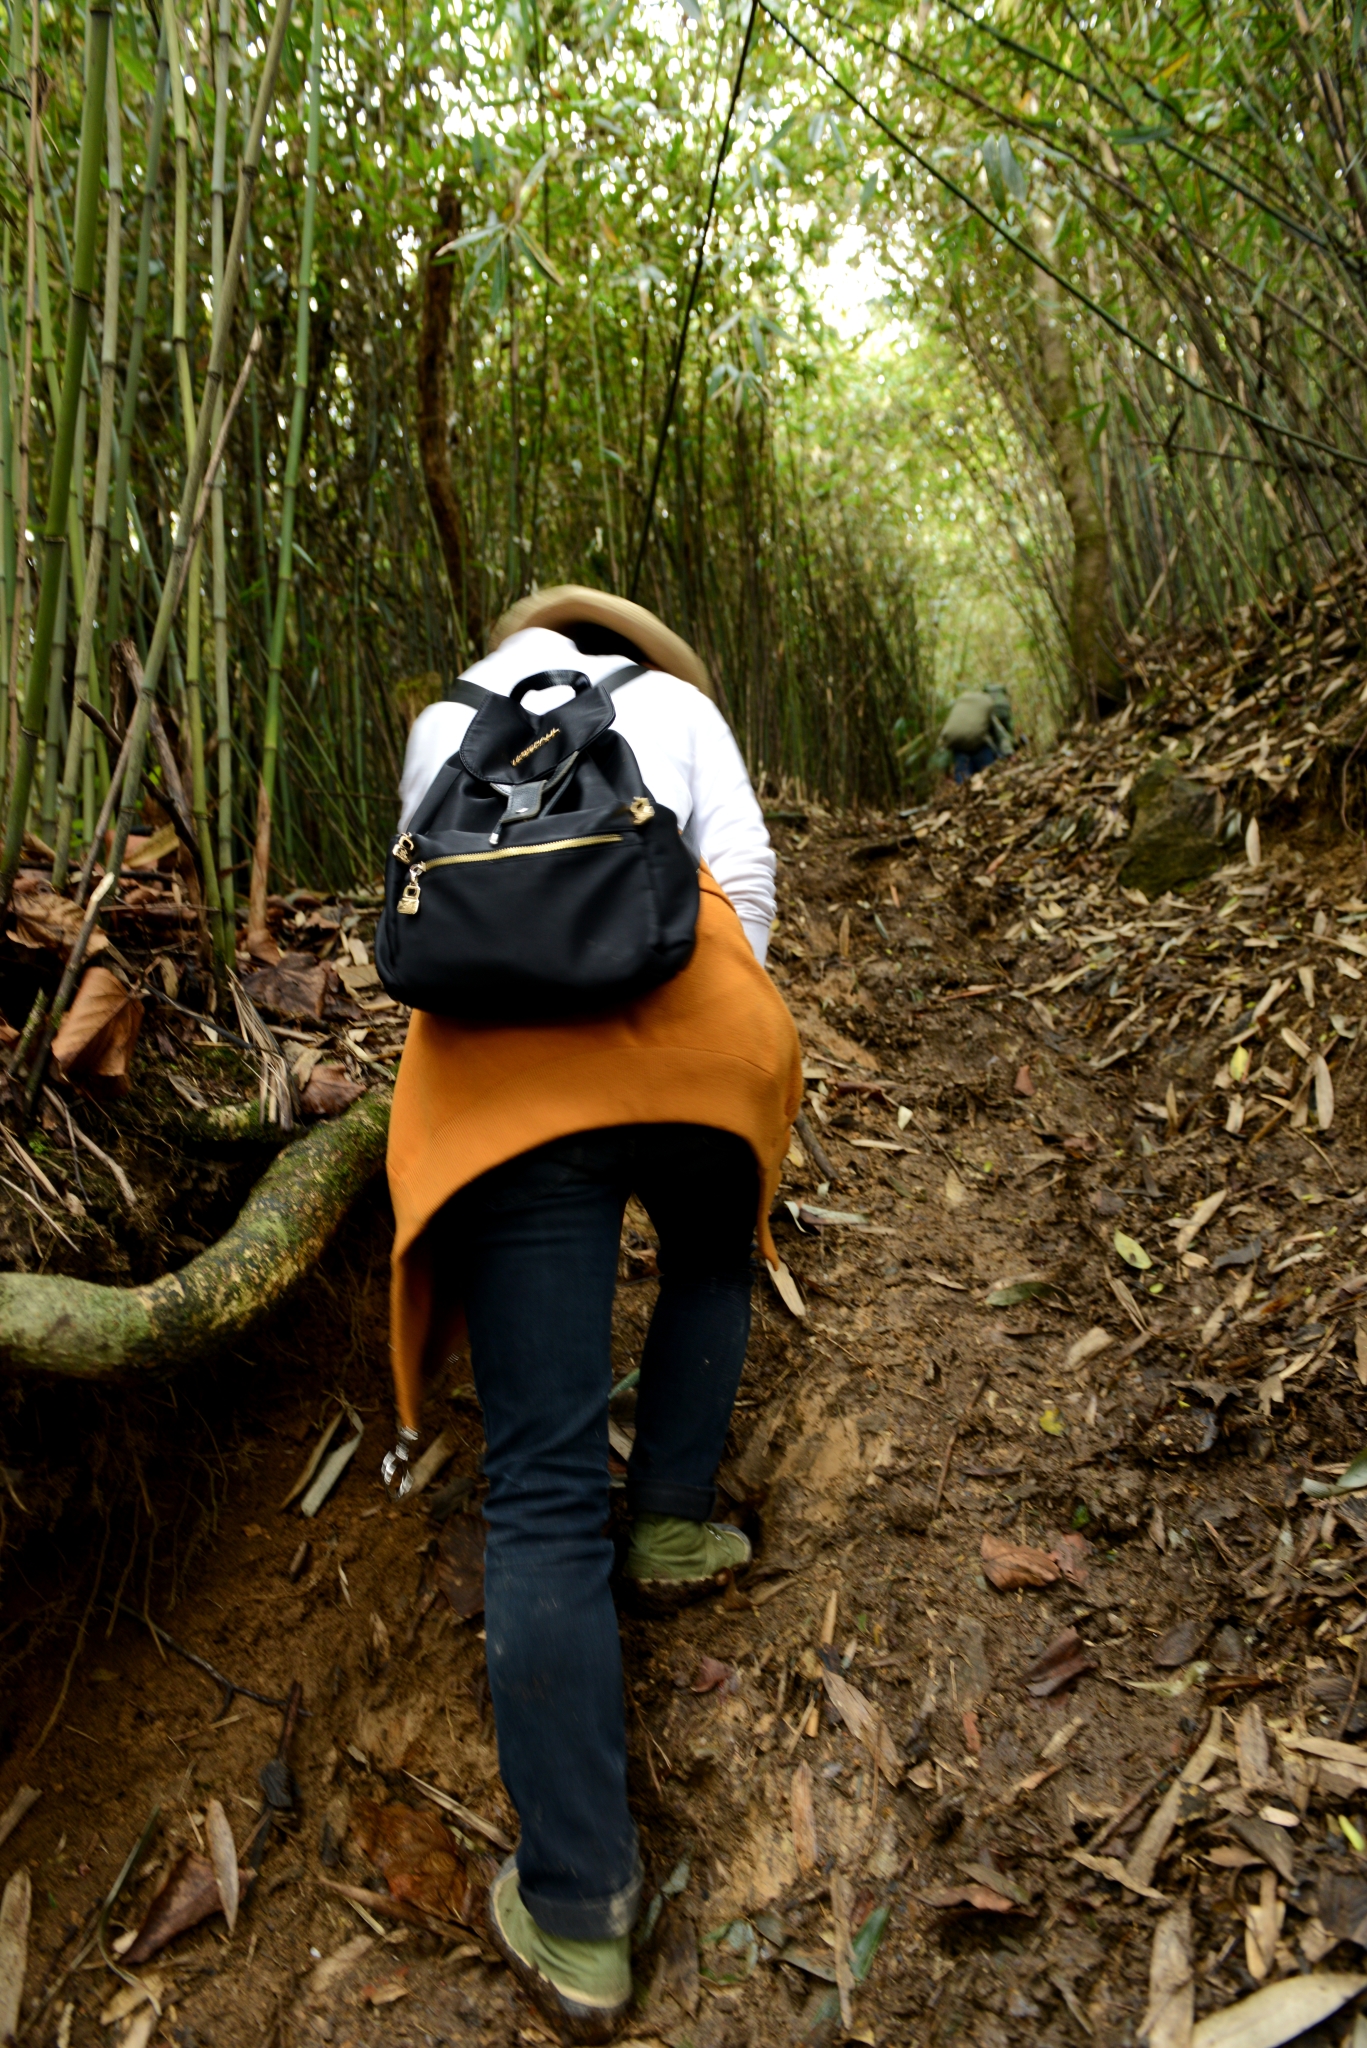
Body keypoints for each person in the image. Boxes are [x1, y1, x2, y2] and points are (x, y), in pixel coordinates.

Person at [382, 586, 802, 2042]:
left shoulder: (447, 721)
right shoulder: (680, 710)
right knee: (705, 1254)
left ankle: (576, 1915)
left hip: (507, 1099)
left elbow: (425, 923)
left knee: (541, 1493)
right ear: (625, 651)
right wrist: (663, 1010)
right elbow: (741, 889)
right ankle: (678, 1517)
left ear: (510, 646)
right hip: (699, 1047)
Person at [939, 684, 1015, 783]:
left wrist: (945, 770)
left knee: (964, 786)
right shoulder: (986, 704)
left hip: (960, 750)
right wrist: (1009, 753)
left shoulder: (961, 709)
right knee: (990, 782)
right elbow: (998, 731)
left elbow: (946, 740)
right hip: (980, 748)